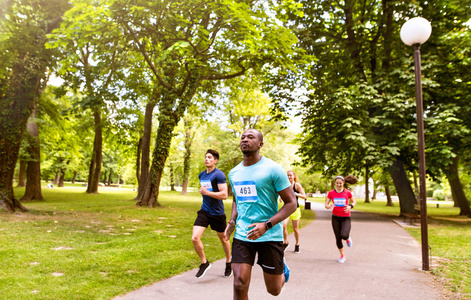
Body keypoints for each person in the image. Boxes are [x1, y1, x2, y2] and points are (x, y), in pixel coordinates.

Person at [224, 128, 297, 299]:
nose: (245, 140)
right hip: (244, 234)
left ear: (260, 144)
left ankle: (283, 270)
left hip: (270, 235)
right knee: (239, 283)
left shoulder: (273, 169)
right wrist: (233, 221)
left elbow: (291, 203)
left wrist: (266, 225)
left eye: (250, 137)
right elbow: (236, 200)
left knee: (274, 290)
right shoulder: (234, 173)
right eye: (242, 137)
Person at [192, 149, 232, 279]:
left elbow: (224, 195)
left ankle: (229, 262)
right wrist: (205, 192)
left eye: (209, 157)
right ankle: (204, 263)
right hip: (205, 211)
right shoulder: (201, 175)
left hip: (217, 214)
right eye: (205, 157)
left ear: (215, 161)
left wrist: (206, 193)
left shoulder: (219, 175)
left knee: (224, 239)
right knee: (195, 238)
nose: (206, 159)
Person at [325, 175, 357, 263]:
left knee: (344, 234)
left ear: (343, 183)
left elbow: (354, 202)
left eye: (340, 183)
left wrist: (350, 206)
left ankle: (347, 238)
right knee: (338, 238)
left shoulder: (348, 192)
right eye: (337, 183)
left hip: (346, 217)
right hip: (335, 217)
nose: (339, 185)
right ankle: (342, 255)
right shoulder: (331, 193)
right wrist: (329, 206)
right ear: (335, 183)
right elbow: (326, 204)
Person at [279, 170, 307, 254]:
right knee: (283, 225)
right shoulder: (285, 185)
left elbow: (304, 196)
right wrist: (281, 197)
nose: (289, 177)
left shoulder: (297, 185)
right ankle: (285, 242)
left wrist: (295, 194)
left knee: (295, 229)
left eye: (290, 175)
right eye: (287, 175)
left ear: (294, 176)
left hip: (295, 209)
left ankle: (297, 244)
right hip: (286, 209)